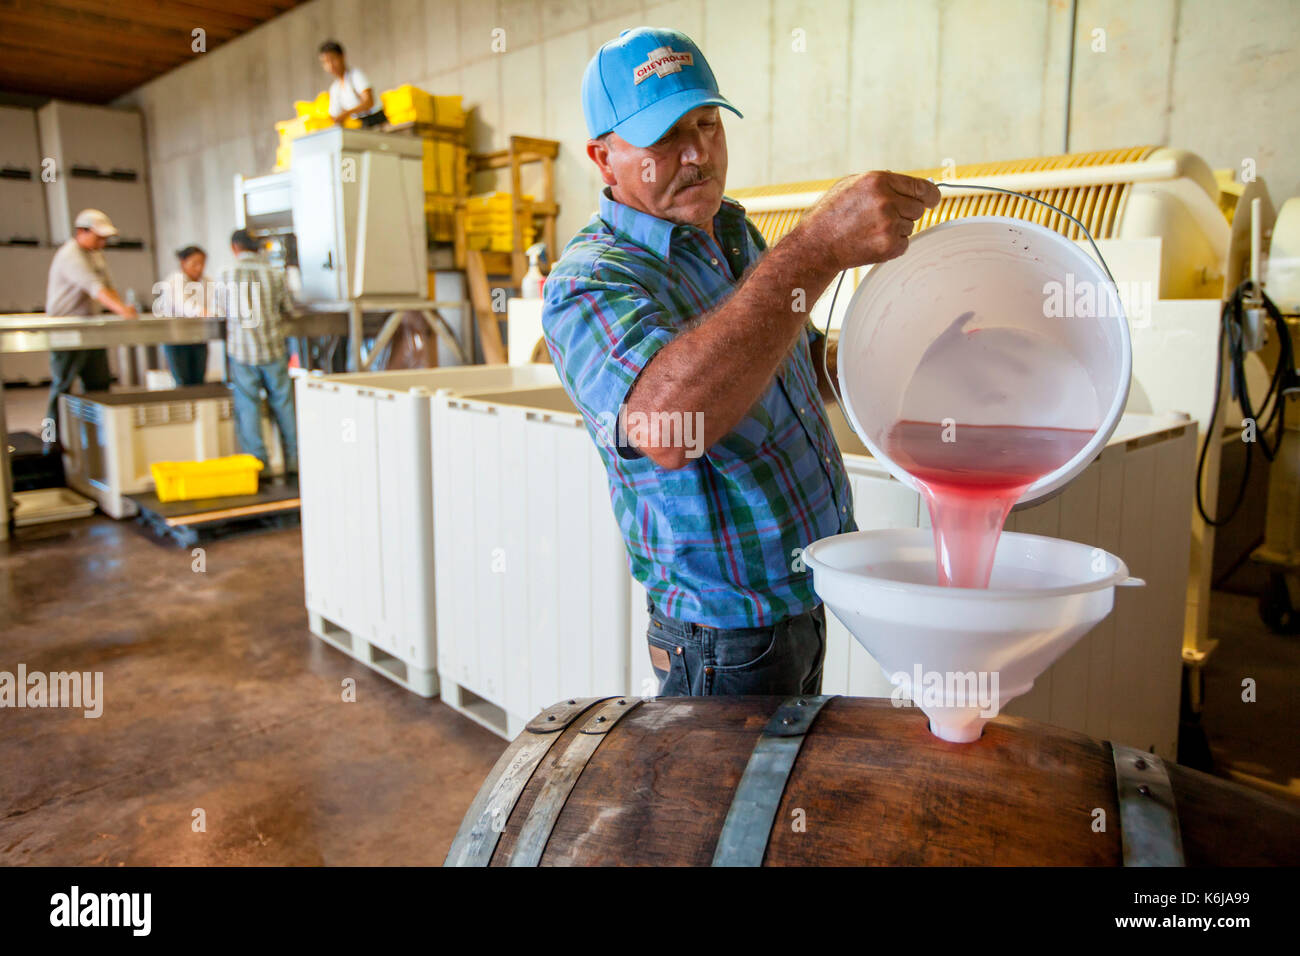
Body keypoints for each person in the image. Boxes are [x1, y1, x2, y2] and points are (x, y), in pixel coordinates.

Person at [542, 28, 941, 697]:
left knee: (775, 796)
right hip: (721, 636)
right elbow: (666, 428)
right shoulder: (589, 281)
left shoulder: (733, 232)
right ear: (603, 158)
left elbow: (801, 366)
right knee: (724, 805)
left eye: (708, 124)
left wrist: (905, 354)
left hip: (806, 590)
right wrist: (815, 250)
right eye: (665, 136)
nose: (698, 153)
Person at [44, 209, 138, 438]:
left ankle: (97, 436)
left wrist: (123, 308)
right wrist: (122, 311)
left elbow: (109, 286)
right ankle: (52, 440)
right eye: (98, 237)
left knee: (99, 383)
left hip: (90, 329)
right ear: (81, 232)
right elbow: (95, 288)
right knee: (63, 385)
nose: (102, 242)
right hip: (66, 330)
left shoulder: (96, 254)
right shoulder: (70, 255)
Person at [221, 229, 298, 474]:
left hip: (242, 351)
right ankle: (295, 463)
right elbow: (287, 308)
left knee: (249, 407)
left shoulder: (226, 274)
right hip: (273, 348)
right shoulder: (274, 274)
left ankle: (259, 466)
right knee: (284, 406)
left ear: (235, 248)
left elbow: (219, 309)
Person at [159, 245, 210, 386]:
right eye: (195, 264)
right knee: (183, 382)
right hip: (177, 339)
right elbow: (184, 305)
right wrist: (203, 312)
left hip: (199, 337)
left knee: (199, 381)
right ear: (183, 263)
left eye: (202, 263)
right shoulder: (175, 280)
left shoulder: (206, 282)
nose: (199, 268)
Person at [318, 40, 387, 128]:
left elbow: (369, 102)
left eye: (333, 59)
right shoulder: (335, 88)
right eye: (326, 62)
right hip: (359, 125)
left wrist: (347, 113)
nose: (331, 65)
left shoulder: (356, 75)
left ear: (342, 57)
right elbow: (334, 116)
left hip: (375, 121)